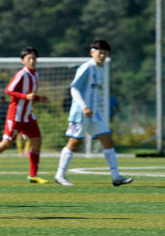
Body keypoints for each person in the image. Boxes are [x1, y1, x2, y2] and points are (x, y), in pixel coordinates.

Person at [54, 40, 133, 187]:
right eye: (99, 52)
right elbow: (74, 89)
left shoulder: (100, 69)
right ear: (92, 52)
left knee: (108, 140)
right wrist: (84, 107)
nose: (102, 55)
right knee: (74, 143)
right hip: (81, 112)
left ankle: (116, 177)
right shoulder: (86, 67)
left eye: (105, 53)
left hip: (95, 114)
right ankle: (60, 175)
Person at [0, 46, 48, 184]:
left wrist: (38, 98)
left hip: (28, 116)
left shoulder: (35, 75)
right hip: (16, 116)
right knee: (6, 143)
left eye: (34, 58)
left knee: (37, 141)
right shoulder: (22, 74)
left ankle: (32, 175)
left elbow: (30, 96)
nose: (32, 61)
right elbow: (9, 90)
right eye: (29, 58)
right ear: (22, 61)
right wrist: (26, 96)